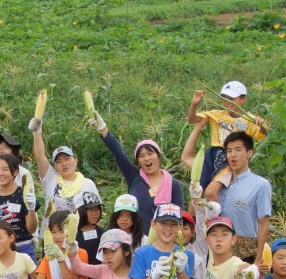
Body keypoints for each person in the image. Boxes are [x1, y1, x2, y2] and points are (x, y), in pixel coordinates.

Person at [184, 123, 271, 264]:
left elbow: (263, 224)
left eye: (238, 150)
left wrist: (258, 259)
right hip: (216, 252)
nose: (233, 155)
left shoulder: (260, 185)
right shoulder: (218, 182)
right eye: (229, 151)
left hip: (246, 253)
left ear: (249, 153)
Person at [91, 114, 183, 237]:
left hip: (162, 243)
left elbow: (178, 216)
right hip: (134, 241)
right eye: (141, 155)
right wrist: (102, 128)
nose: (146, 158)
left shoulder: (174, 185)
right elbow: (118, 153)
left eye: (150, 153)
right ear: (138, 161)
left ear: (159, 156)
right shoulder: (134, 177)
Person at [186, 81, 268, 199]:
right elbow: (192, 119)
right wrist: (194, 104)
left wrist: (261, 124)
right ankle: (193, 216)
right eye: (224, 98)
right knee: (197, 190)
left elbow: (263, 133)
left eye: (231, 99)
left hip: (230, 157)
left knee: (210, 191)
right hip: (213, 154)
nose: (226, 102)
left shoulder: (250, 119)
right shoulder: (216, 114)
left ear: (243, 99)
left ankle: (217, 217)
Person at [31, 123, 101, 217]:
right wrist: (37, 133)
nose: (64, 164)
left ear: (75, 161)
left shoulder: (88, 184)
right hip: (53, 231)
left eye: (67, 159)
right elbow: (40, 157)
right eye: (58, 162)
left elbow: (96, 212)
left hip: (79, 230)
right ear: (55, 166)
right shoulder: (51, 179)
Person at [0, 153, 38, 262]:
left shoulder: (23, 195)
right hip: (2, 250)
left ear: (15, 171)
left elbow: (31, 228)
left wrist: (31, 208)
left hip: (23, 248)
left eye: (5, 169)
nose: (0, 173)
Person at [0, 132, 36, 213]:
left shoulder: (24, 173)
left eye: (5, 147)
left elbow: (29, 200)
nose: (1, 150)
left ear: (13, 151)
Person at [76, 195, 104, 279]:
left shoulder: (102, 233)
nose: (95, 213)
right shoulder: (73, 233)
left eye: (97, 209)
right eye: (91, 210)